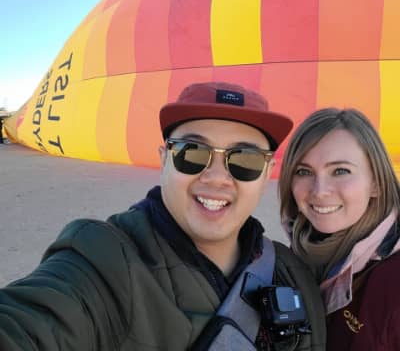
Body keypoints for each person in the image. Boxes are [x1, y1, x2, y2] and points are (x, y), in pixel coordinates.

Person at [0, 82, 326, 350]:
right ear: (164, 160)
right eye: (191, 153)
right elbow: (29, 323)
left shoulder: (292, 273)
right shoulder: (104, 260)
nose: (216, 178)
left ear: (267, 173)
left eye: (245, 160)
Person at [279, 107, 400, 351]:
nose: (320, 190)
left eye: (340, 171)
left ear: (376, 183)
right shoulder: (286, 262)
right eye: (304, 171)